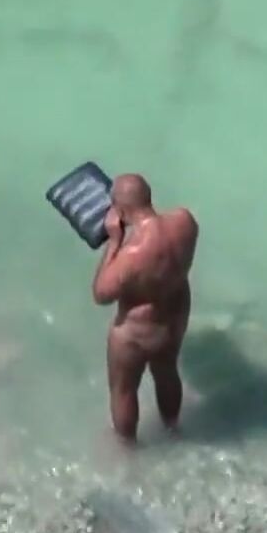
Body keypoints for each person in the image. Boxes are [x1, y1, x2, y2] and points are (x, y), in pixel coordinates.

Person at [91, 174, 199, 445]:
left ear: (120, 211)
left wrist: (115, 241)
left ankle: (127, 449)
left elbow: (101, 294)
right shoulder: (185, 221)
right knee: (167, 371)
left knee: (124, 390)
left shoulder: (132, 255)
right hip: (174, 319)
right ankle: (173, 428)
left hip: (137, 333)